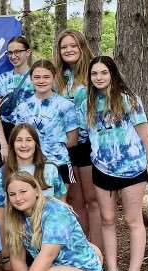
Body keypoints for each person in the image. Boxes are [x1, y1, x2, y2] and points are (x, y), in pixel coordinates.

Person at [82, 56, 148, 271]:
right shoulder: (87, 103)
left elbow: (146, 135)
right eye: (94, 73)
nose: (99, 77)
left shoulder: (128, 99)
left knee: (133, 220)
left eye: (104, 72)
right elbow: (84, 136)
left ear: (112, 74)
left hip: (132, 168)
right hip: (102, 169)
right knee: (108, 219)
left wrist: (147, 167)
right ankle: (111, 269)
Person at [54, 29, 102, 245]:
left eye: (73, 45)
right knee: (75, 200)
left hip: (90, 145)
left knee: (94, 200)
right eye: (64, 47)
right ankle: (82, 250)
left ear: (82, 47)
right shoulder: (58, 79)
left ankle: (97, 252)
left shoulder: (94, 74)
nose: (69, 50)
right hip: (67, 146)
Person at [5, 172, 103, 271]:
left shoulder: (55, 212)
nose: (18, 198)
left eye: (23, 191)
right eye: (12, 194)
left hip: (83, 270)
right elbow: (17, 259)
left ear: (37, 191)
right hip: (55, 268)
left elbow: (48, 255)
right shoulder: (15, 219)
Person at [4, 60, 79, 192]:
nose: (41, 81)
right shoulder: (22, 107)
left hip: (58, 163)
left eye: (46, 77)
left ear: (54, 78)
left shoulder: (65, 106)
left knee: (56, 207)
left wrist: (48, 151)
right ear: (31, 79)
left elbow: (72, 140)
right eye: (37, 77)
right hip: (29, 165)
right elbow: (19, 137)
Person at [0, 36, 34, 162]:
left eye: (17, 52)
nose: (13, 56)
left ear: (28, 52)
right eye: (10, 53)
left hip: (31, 134)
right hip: (8, 133)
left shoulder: (37, 77)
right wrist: (4, 144)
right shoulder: (4, 78)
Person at [1, 123, 68, 201]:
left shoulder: (51, 170)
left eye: (29, 140)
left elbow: (61, 204)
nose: (24, 145)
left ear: (36, 143)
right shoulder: (1, 174)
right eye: (19, 140)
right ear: (13, 144)